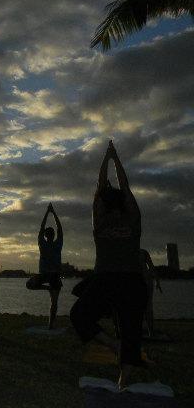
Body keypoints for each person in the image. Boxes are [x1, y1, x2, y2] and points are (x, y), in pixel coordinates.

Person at [70, 141, 147, 389]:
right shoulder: (115, 223)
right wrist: (113, 159)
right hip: (112, 281)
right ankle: (117, 348)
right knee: (80, 315)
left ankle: (123, 379)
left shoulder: (116, 221)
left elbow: (115, 186)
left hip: (124, 281)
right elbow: (114, 187)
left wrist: (109, 158)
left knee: (130, 331)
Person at [26, 203, 63, 329]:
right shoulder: (57, 244)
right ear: (52, 235)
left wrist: (48, 212)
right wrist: (53, 213)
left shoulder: (43, 243)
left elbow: (42, 228)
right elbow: (60, 228)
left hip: (48, 275)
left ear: (46, 236)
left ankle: (51, 325)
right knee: (54, 303)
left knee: (29, 284)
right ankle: (50, 325)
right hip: (51, 275)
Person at [140, 248, 161, 338]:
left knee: (147, 307)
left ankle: (150, 332)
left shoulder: (143, 252)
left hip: (145, 281)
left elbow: (151, 267)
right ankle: (149, 332)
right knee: (146, 307)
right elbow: (151, 267)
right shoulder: (142, 252)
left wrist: (157, 281)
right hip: (140, 281)